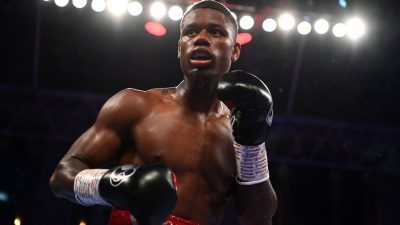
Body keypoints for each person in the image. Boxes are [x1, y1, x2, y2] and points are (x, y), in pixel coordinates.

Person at [49, 1, 277, 225]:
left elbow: (259, 219)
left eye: (216, 32)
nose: (201, 38)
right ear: (180, 48)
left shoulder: (239, 133)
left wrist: (253, 144)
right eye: (190, 32)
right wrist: (112, 184)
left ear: (235, 50)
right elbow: (62, 177)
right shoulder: (135, 105)